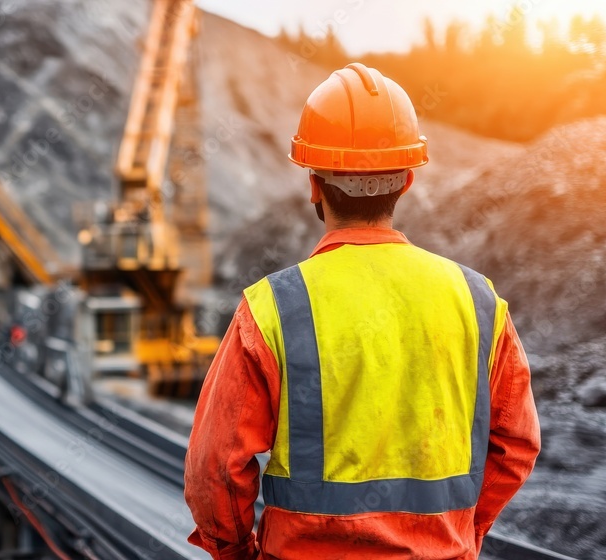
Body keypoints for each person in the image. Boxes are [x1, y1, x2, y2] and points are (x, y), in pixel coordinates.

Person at [184, 63, 540, 560]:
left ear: (314, 184)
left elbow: (215, 468)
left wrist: (235, 551)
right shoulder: (478, 302)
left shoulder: (272, 307)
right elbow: (517, 443)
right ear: (408, 180)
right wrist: (463, 534)